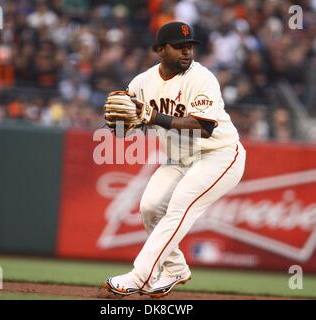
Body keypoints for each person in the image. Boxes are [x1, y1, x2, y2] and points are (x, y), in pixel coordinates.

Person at [103, 21, 246, 298]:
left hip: (219, 155)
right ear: (160, 49)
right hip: (179, 160)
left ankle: (140, 277)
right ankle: (175, 268)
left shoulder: (201, 78)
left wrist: (152, 116)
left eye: (190, 46)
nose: (187, 52)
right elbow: (124, 132)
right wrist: (118, 124)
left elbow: (205, 127)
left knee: (180, 205)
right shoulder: (142, 83)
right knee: (150, 207)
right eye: (179, 47)